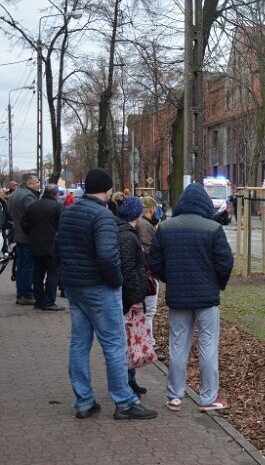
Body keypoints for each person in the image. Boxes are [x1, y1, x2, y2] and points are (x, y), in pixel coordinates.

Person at [57, 168, 157, 420]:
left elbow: (58, 249)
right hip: (100, 288)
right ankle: (124, 402)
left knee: (79, 343)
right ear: (107, 189)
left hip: (75, 287)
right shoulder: (102, 217)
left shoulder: (69, 213)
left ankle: (83, 401)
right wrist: (116, 282)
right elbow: (107, 256)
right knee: (114, 344)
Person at [149, 183, 234, 412]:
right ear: (204, 204)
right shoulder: (213, 228)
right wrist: (217, 283)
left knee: (177, 345)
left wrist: (171, 279)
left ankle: (175, 396)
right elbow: (225, 262)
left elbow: (155, 262)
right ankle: (208, 397)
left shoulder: (165, 228)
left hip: (178, 297)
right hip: (207, 298)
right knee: (208, 346)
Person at [112, 193, 150, 396]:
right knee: (126, 340)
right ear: (136, 213)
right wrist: (135, 299)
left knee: (128, 340)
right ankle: (126, 382)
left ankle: (130, 380)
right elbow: (129, 269)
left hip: (126, 296)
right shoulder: (127, 236)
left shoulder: (123, 231)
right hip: (128, 298)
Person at [21, 184, 65, 311]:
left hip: (35, 245)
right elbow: (63, 225)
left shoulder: (33, 206)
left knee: (37, 274)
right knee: (53, 274)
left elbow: (24, 224)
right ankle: (49, 301)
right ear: (55, 194)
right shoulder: (58, 207)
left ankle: (38, 300)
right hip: (52, 246)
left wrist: (32, 234)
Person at [9, 173, 39, 305]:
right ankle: (26, 294)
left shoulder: (15, 194)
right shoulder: (28, 195)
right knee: (28, 266)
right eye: (37, 182)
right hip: (28, 236)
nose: (38, 184)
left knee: (21, 266)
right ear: (29, 183)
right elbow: (34, 215)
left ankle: (21, 293)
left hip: (19, 235)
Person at [137, 195, 160, 353]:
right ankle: (149, 345)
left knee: (146, 311)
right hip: (148, 275)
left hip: (145, 273)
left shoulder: (143, 224)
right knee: (149, 311)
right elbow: (148, 251)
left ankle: (147, 342)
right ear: (151, 209)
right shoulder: (146, 226)